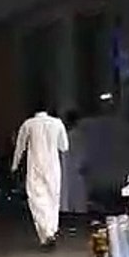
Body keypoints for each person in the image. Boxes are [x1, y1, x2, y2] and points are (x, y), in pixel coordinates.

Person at [12, 103, 68, 248]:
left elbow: (20, 147)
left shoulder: (28, 124)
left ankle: (47, 232)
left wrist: (14, 165)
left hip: (35, 166)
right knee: (53, 199)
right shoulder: (57, 123)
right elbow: (64, 147)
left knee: (36, 199)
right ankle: (51, 230)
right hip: (53, 167)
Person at [60, 110, 89, 219]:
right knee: (77, 199)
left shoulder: (71, 136)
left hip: (72, 172)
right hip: (75, 172)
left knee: (72, 197)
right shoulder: (75, 135)